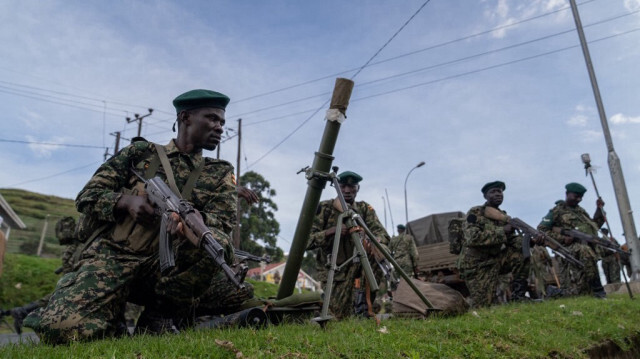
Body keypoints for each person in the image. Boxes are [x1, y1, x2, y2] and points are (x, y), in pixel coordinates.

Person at [24, 89, 238, 344]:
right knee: (61, 329)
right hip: (112, 257)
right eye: (212, 118)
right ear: (186, 117)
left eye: (222, 122)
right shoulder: (140, 153)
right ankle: (108, 317)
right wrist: (126, 201)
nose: (220, 127)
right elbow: (87, 196)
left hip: (164, 268)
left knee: (215, 241)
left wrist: (188, 224)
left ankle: (160, 317)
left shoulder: (220, 172)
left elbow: (223, 222)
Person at [307, 171, 390, 319]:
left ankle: (366, 306)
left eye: (351, 186)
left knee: (381, 249)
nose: (346, 190)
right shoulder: (324, 208)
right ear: (337, 186)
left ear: (357, 188)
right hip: (334, 271)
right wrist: (331, 232)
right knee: (338, 316)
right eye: (343, 186)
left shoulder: (364, 209)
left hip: (360, 267)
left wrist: (375, 242)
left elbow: (383, 235)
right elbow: (306, 241)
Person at [457, 181, 531, 307]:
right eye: (493, 192)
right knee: (483, 306)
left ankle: (519, 296)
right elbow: (472, 238)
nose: (498, 194)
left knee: (521, 251)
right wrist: (503, 230)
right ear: (485, 196)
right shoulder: (475, 212)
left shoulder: (503, 216)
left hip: (495, 260)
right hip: (477, 265)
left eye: (500, 191)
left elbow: (512, 240)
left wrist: (530, 241)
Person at [537, 182, 606, 298]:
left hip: (587, 246)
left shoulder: (581, 212)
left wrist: (599, 209)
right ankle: (599, 291)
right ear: (567, 194)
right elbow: (541, 229)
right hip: (567, 248)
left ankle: (554, 293)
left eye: (581, 197)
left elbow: (594, 226)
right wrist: (563, 238)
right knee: (585, 250)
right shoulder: (556, 211)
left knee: (579, 293)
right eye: (576, 196)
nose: (578, 199)